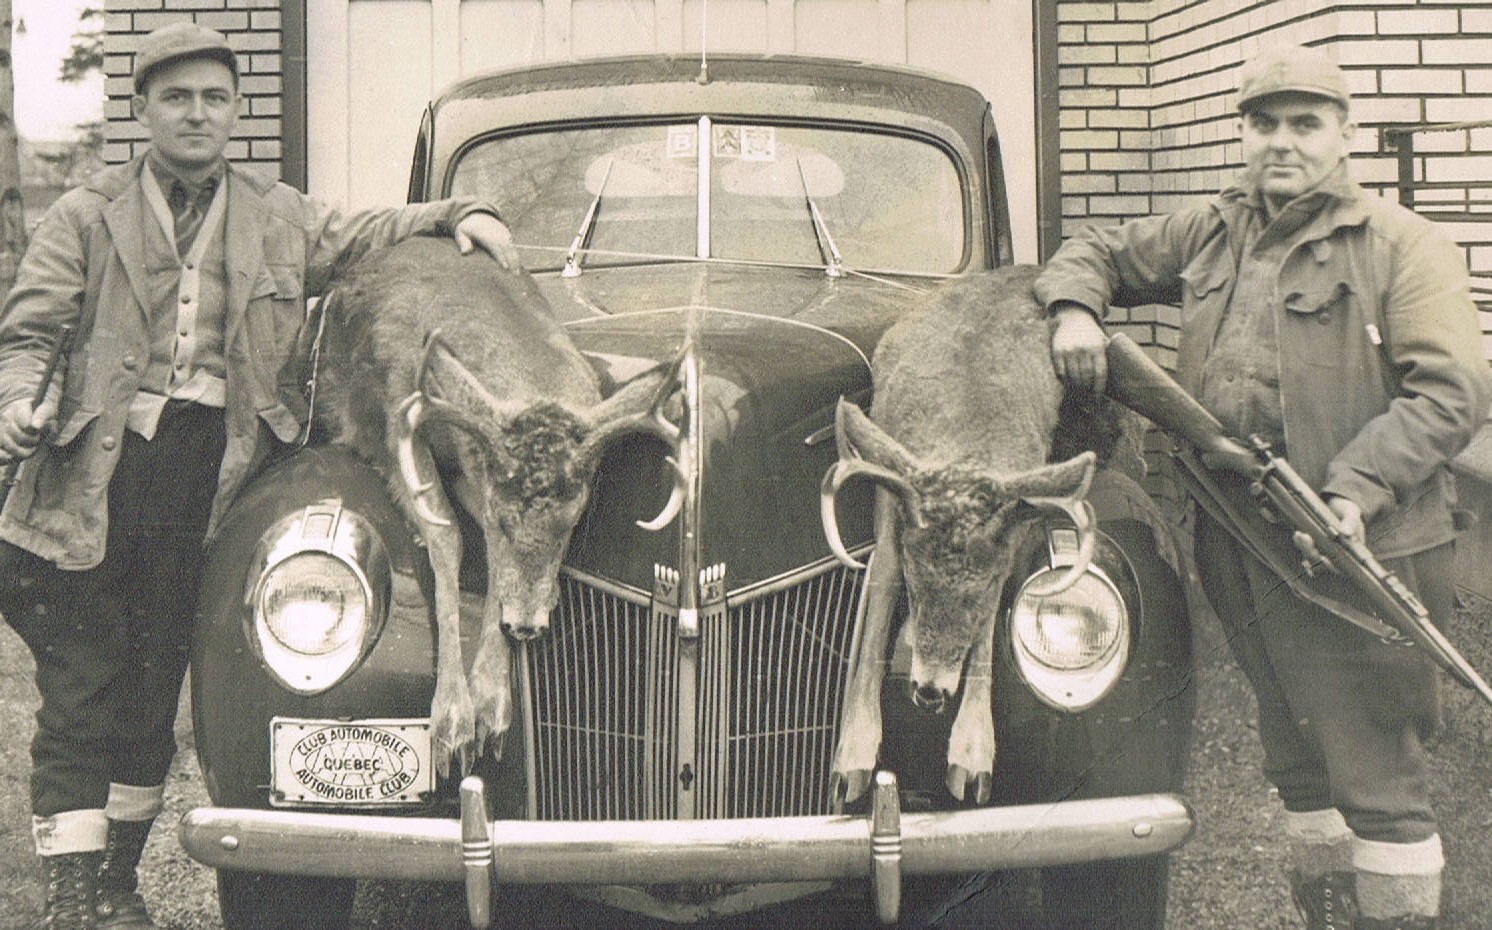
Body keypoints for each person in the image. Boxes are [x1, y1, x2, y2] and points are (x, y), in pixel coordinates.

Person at [0, 22, 521, 929]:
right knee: (84, 685)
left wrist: (457, 212)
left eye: (213, 98)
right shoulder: (82, 218)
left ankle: (119, 883)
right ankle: (74, 902)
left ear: (235, 112)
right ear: (143, 111)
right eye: (176, 98)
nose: (196, 114)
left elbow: (369, 233)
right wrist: (15, 404)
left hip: (214, 487)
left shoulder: (280, 216)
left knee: (156, 690)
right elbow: (28, 337)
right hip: (91, 487)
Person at [1037, 44, 1491, 930]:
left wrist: (1356, 486)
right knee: (1295, 748)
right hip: (1233, 535)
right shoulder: (1219, 226)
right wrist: (1077, 308)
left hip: (1353, 544)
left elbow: (1454, 393)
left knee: (1378, 772)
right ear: (1243, 132)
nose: (1281, 143)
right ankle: (1326, 910)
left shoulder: (1403, 247)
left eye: (1305, 124)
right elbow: (1091, 248)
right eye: (1264, 123)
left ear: (1345, 135)